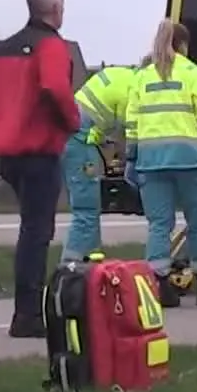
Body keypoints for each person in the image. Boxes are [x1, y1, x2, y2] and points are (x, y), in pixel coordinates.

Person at [0, 0, 81, 337]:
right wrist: (72, 121)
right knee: (37, 232)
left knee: (29, 230)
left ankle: (26, 308)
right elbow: (55, 87)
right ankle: (27, 314)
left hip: (7, 152)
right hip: (39, 151)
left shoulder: (5, 50)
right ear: (54, 10)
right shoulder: (51, 45)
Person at [124, 21, 197, 306]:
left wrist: (131, 158)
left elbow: (132, 123)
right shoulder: (195, 73)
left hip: (151, 160)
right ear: (183, 45)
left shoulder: (141, 78)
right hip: (191, 159)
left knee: (159, 224)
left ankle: (159, 284)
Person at [61, 62, 139, 262]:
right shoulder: (136, 88)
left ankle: (91, 266)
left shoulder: (120, 74)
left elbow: (103, 120)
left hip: (76, 134)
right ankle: (70, 268)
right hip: (80, 138)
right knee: (86, 209)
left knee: (91, 208)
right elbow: (130, 133)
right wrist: (129, 159)